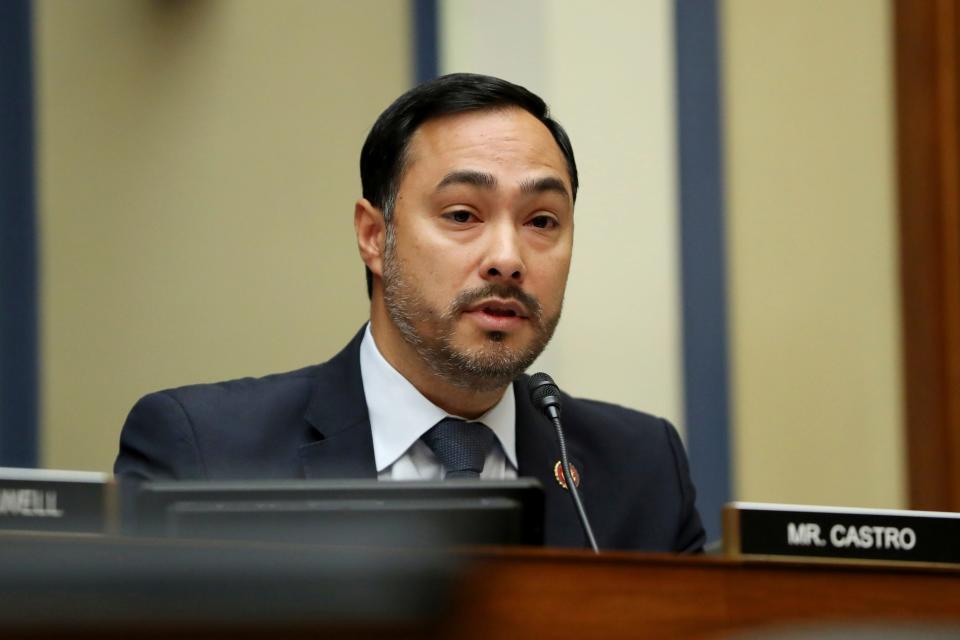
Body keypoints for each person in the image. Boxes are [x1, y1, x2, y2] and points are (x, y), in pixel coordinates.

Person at [115, 73, 705, 552]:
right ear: (375, 237)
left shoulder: (641, 468)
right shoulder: (204, 454)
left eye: (542, 221)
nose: (507, 258)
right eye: (461, 215)